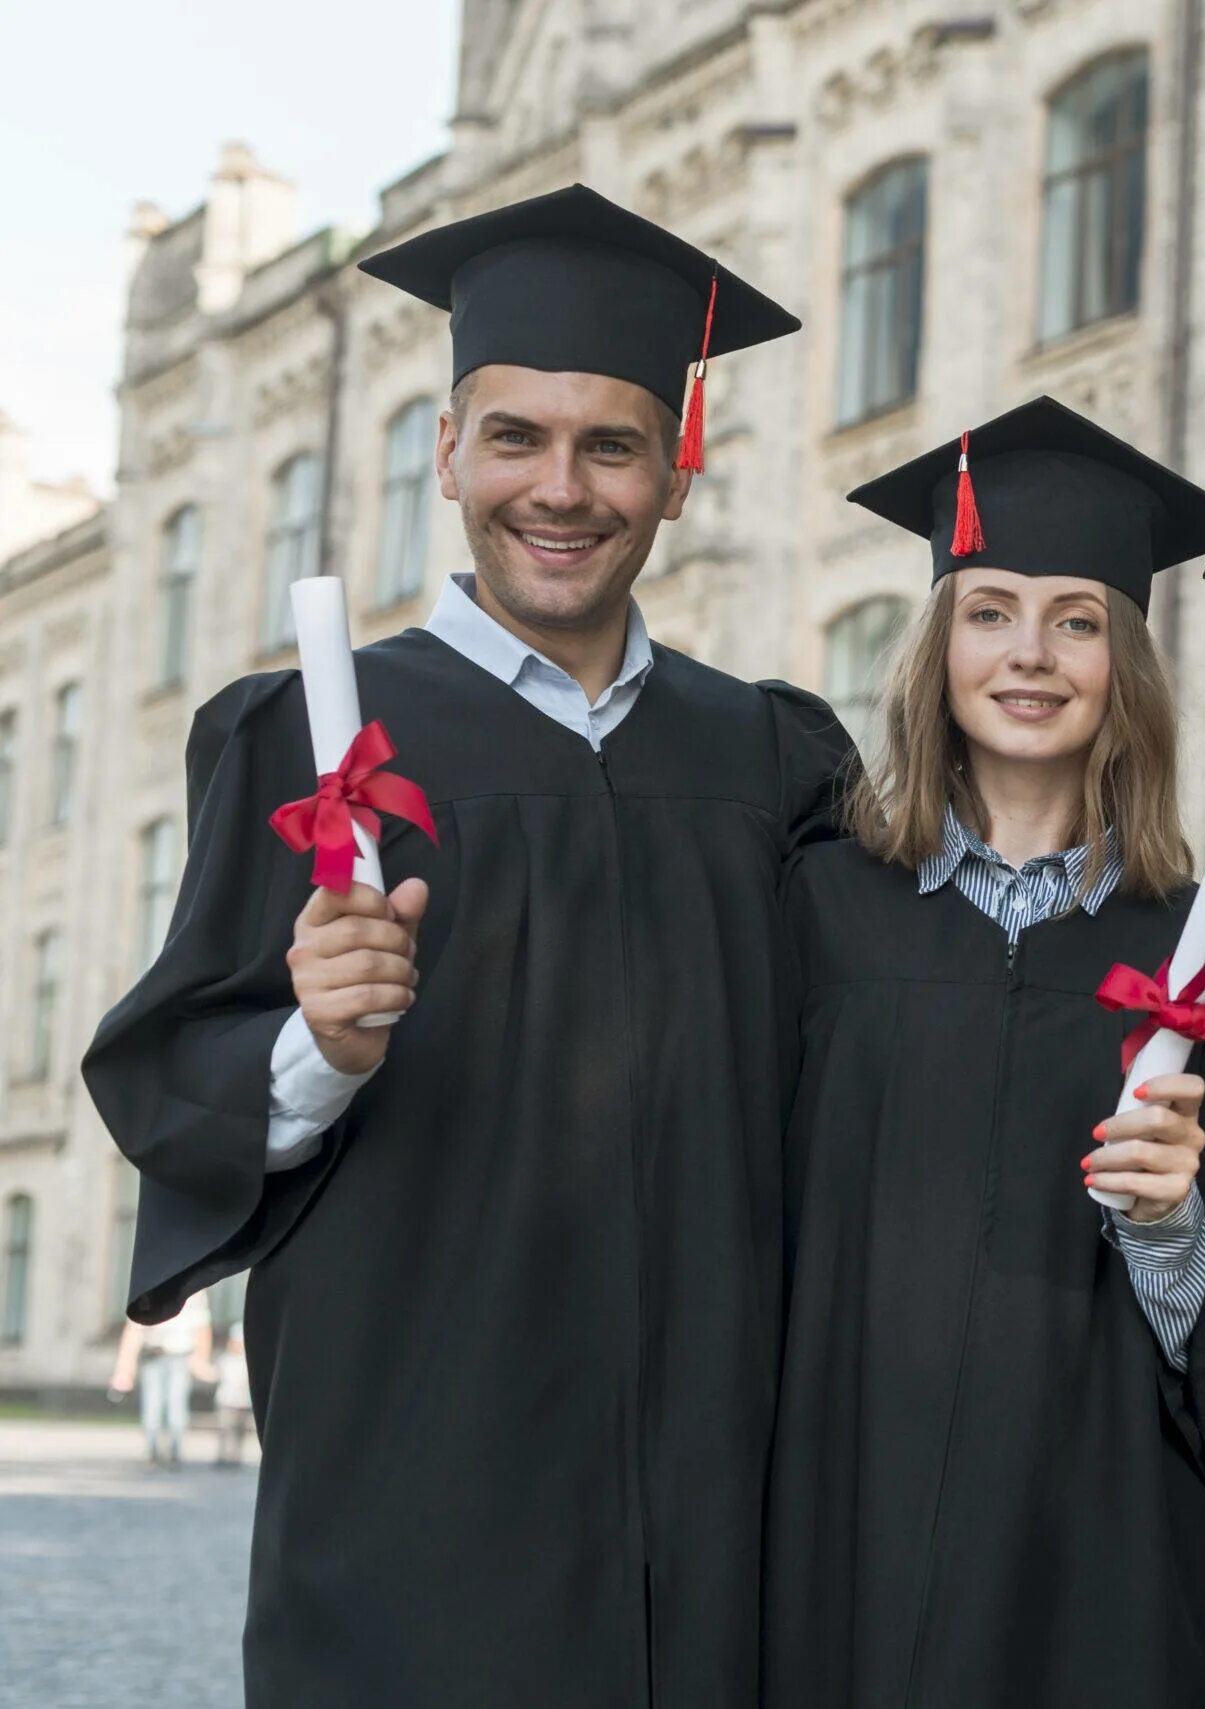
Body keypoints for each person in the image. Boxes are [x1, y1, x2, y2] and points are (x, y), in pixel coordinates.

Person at [83, 185, 845, 1708]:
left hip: (714, 1533)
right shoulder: (311, 737)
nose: (559, 488)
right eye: (515, 437)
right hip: (418, 1533)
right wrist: (320, 1044)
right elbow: (174, 1079)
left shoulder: (769, 760)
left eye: (612, 444)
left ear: (675, 474)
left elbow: (901, 1022)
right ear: (446, 453)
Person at [761, 397, 1205, 1708]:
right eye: (990, 610)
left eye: (1079, 619)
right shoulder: (816, 911)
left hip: (1100, 1551)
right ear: (938, 643)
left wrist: (1169, 1225)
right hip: (844, 1535)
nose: (1031, 654)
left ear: (1127, 661)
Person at [108, 1288, 214, 1468]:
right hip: (153, 1355)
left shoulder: (194, 1291)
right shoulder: (150, 1288)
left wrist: (201, 1359)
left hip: (180, 1356)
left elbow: (202, 1326)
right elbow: (134, 1329)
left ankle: (174, 1451)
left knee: (176, 1406)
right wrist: (124, 1368)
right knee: (152, 1406)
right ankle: (152, 1451)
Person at [213, 1321, 253, 1467]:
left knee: (239, 1431)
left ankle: (235, 1456)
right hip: (226, 1400)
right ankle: (223, 1456)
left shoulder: (247, 1362)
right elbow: (216, 1374)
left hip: (242, 1402)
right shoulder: (225, 1359)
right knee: (225, 1429)